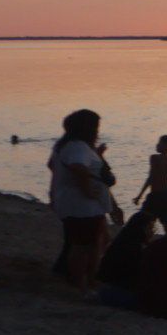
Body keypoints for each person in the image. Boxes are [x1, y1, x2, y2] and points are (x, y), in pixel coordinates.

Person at [46, 109, 119, 291]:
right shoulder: (78, 146)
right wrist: (87, 189)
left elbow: (52, 165)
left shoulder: (65, 144)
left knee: (91, 241)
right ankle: (81, 283)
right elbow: (78, 167)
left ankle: (87, 280)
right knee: (83, 245)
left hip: (73, 202)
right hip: (82, 206)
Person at [96, 209, 157, 309]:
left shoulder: (122, 241)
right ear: (140, 229)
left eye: (153, 229)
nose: (152, 233)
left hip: (104, 291)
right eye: (149, 228)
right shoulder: (134, 248)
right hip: (118, 294)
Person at [133, 134, 167, 217]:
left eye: (160, 143)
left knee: (144, 219)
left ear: (166, 145)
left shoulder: (154, 158)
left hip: (155, 194)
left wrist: (140, 195)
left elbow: (151, 178)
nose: (157, 145)